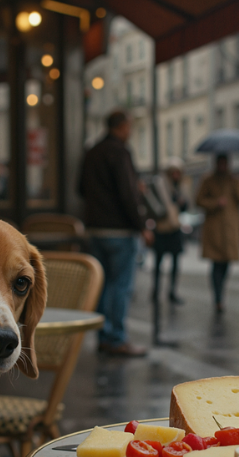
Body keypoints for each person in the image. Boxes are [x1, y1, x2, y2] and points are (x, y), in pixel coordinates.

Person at [78, 110, 152, 357]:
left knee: (102, 285)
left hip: (95, 228)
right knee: (121, 285)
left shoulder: (92, 151)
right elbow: (127, 193)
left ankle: (103, 336)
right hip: (120, 230)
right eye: (129, 127)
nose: (130, 131)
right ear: (121, 127)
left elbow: (80, 188)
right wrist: (141, 225)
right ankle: (117, 338)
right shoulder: (120, 152)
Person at [196, 154, 239, 313]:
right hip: (214, 229)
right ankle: (218, 298)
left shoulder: (234, 180)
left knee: (226, 262)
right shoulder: (208, 180)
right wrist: (215, 203)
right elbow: (199, 200)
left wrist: (236, 184)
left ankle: (220, 294)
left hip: (230, 229)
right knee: (216, 263)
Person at [145, 158, 189, 304]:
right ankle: (156, 290)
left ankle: (172, 291)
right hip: (161, 228)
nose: (176, 175)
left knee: (175, 263)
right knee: (158, 262)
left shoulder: (180, 188)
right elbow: (157, 208)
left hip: (175, 228)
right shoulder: (160, 185)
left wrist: (182, 202)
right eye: (173, 172)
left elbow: (184, 207)